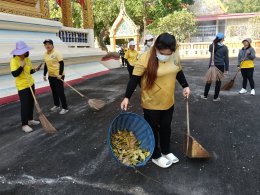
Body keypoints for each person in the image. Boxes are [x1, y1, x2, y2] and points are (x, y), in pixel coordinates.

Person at [120, 33, 190, 168]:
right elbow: (134, 78)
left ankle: (166, 150)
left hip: (168, 100)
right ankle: (155, 155)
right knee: (152, 129)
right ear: (157, 48)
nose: (166, 56)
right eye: (163, 53)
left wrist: (185, 85)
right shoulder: (145, 58)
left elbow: (178, 71)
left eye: (169, 54)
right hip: (151, 102)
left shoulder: (174, 55)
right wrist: (127, 97)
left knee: (166, 127)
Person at [10, 41, 41, 132]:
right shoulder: (14, 60)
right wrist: (21, 67)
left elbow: (29, 71)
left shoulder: (27, 59)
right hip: (22, 86)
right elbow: (14, 74)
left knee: (31, 102)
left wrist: (35, 70)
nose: (23, 53)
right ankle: (24, 124)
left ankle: (30, 120)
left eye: (24, 51)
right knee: (24, 105)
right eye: (21, 52)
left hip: (30, 83)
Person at [201, 33, 229, 101]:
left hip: (212, 65)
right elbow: (226, 59)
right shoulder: (225, 48)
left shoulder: (212, 46)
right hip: (221, 66)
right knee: (218, 82)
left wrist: (209, 66)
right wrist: (227, 68)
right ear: (222, 39)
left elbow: (211, 54)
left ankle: (205, 96)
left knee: (209, 81)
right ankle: (215, 97)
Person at [43, 39, 68, 114]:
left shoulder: (57, 53)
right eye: (46, 44)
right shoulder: (45, 54)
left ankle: (65, 108)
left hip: (58, 76)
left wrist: (60, 74)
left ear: (52, 45)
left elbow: (62, 63)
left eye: (49, 44)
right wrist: (44, 74)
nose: (47, 46)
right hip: (51, 76)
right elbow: (46, 65)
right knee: (54, 91)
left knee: (60, 92)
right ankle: (56, 105)